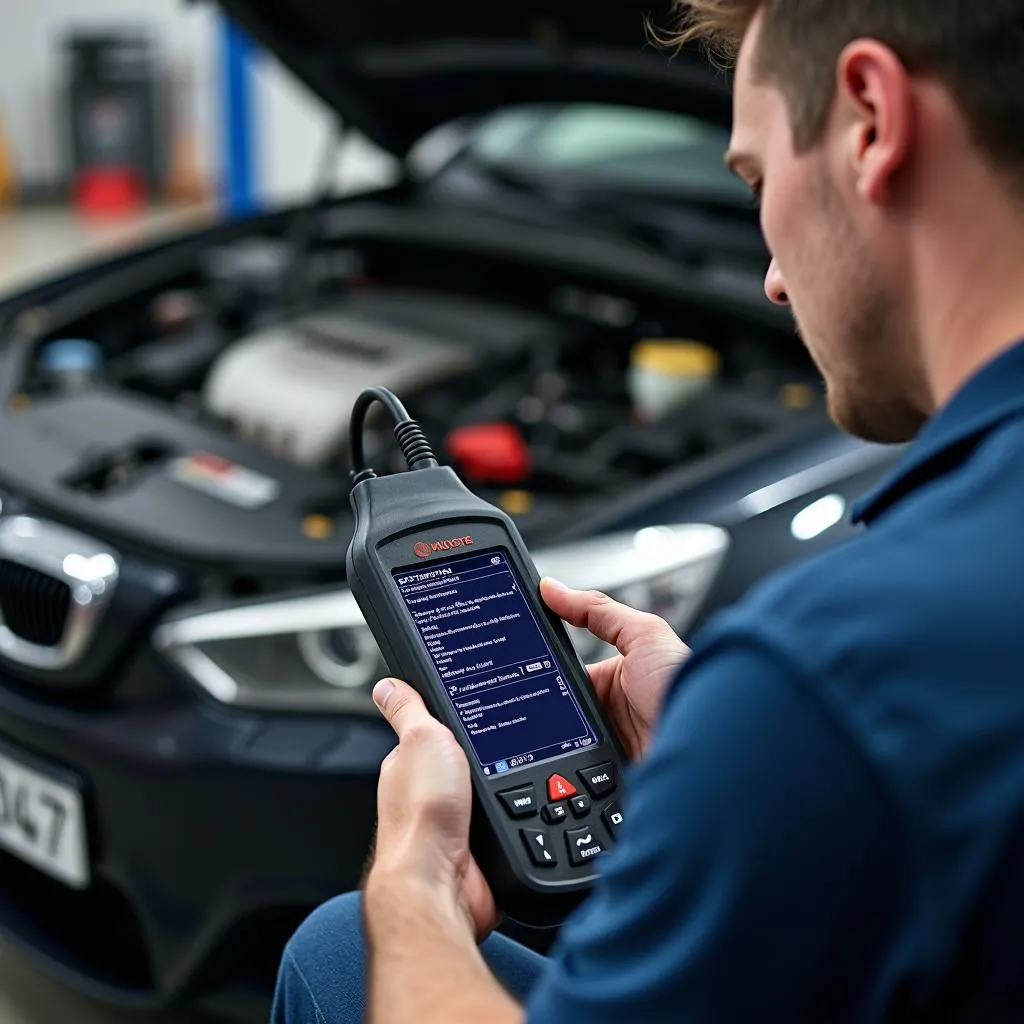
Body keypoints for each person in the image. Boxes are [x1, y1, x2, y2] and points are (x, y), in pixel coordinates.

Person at [272, 0, 1024, 1020]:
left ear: (870, 121)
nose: (767, 279)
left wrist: (411, 885)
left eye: (758, 181)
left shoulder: (836, 664)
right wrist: (744, 773)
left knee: (340, 951)